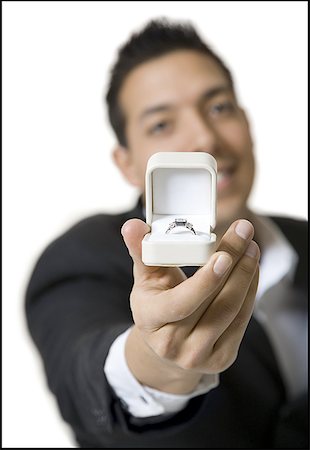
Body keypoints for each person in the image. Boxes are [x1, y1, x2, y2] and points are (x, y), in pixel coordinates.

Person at [25, 19, 308, 448]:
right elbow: (81, 369)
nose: (203, 138)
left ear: (247, 123)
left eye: (219, 108)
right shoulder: (83, 256)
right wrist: (157, 363)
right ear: (128, 164)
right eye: (161, 125)